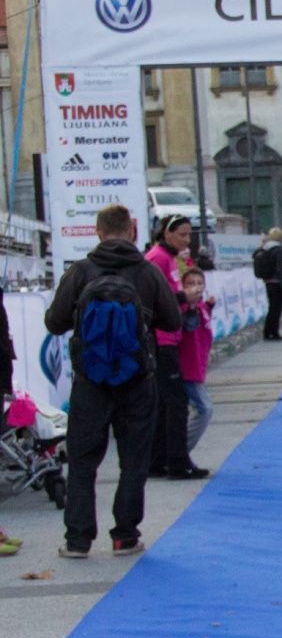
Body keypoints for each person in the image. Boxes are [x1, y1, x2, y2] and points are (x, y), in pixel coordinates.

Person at [45, 205, 181, 558]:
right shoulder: (147, 272)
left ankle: (77, 541)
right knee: (134, 459)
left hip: (90, 380)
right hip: (137, 378)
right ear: (132, 231)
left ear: (98, 231)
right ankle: (125, 536)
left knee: (83, 461)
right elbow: (172, 321)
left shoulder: (81, 272)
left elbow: (54, 323)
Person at [145, 216, 209, 480]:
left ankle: (159, 459)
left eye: (188, 235)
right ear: (167, 233)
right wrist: (184, 297)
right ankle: (177, 462)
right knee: (176, 402)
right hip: (162, 338)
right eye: (181, 235)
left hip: (171, 335)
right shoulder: (157, 258)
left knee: (165, 403)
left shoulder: (170, 259)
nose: (186, 240)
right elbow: (153, 297)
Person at [178, 267, 215, 455]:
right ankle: (181, 450)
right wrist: (191, 307)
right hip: (188, 368)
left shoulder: (202, 307)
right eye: (190, 284)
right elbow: (190, 326)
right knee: (204, 409)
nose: (196, 288)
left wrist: (208, 307)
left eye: (199, 283)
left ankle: (178, 450)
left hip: (198, 366)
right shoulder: (187, 308)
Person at [253, 228, 282, 341]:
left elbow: (255, 256)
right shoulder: (277, 249)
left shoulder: (265, 248)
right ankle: (274, 332)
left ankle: (267, 332)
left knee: (272, 308)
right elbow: (279, 268)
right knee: (276, 309)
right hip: (276, 282)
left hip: (268, 281)